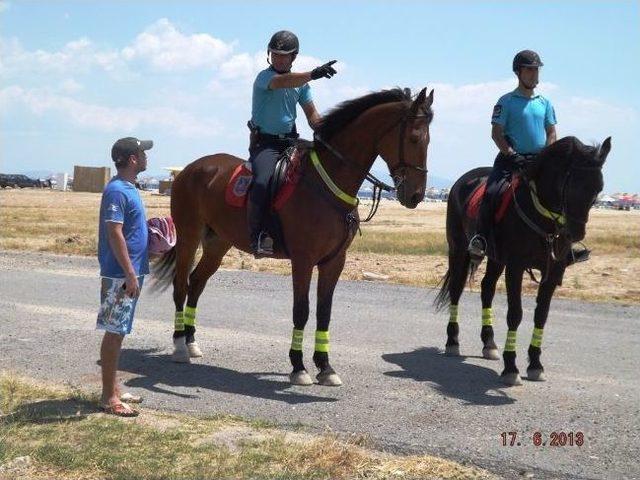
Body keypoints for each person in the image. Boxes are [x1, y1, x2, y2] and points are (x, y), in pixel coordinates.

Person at [468, 50, 590, 265]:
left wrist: (547, 156)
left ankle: (565, 246)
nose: (534, 74)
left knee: (563, 195)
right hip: (510, 160)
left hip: (539, 162)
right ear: (518, 72)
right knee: (493, 192)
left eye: (536, 70)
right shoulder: (506, 101)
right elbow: (496, 133)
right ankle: (481, 239)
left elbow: (551, 132)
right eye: (530, 70)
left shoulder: (545, 102)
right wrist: (512, 154)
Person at [247, 30, 338, 256]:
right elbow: (284, 81)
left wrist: (334, 130)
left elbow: (313, 118)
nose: (279, 58)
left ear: (293, 57)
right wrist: (314, 73)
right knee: (262, 181)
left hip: (291, 143)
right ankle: (259, 235)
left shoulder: (302, 86)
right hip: (265, 145)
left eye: (284, 55)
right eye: (275, 54)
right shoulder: (265, 78)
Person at [96, 136, 152, 416]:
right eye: (143, 153)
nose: (146, 157)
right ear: (133, 159)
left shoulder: (129, 188)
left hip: (130, 272)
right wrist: (130, 273)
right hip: (120, 274)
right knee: (115, 332)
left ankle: (115, 389)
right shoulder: (117, 190)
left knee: (119, 332)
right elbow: (114, 232)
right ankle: (109, 398)